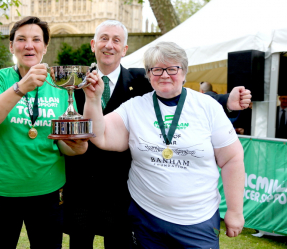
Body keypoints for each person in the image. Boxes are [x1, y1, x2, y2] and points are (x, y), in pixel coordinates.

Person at [83, 41, 245, 248]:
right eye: (156, 69)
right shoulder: (135, 107)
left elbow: (232, 159)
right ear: (149, 75)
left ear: (184, 72)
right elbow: (99, 135)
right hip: (146, 219)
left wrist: (234, 211)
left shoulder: (208, 107)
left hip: (198, 220)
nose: (164, 75)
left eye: (172, 68)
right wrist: (93, 99)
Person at [0, 16, 88, 249]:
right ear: (11, 45)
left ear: (45, 47)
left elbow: (58, 141)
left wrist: (75, 146)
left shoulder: (59, 84)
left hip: (47, 191)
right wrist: (21, 87)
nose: (29, 45)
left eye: (36, 39)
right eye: (21, 39)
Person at [64, 20, 153, 249]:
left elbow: (175, 92)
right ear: (93, 44)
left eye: (116, 40)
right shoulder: (72, 81)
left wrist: (226, 102)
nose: (109, 45)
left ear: (124, 49)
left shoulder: (142, 82)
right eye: (104, 38)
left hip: (122, 191)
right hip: (80, 189)